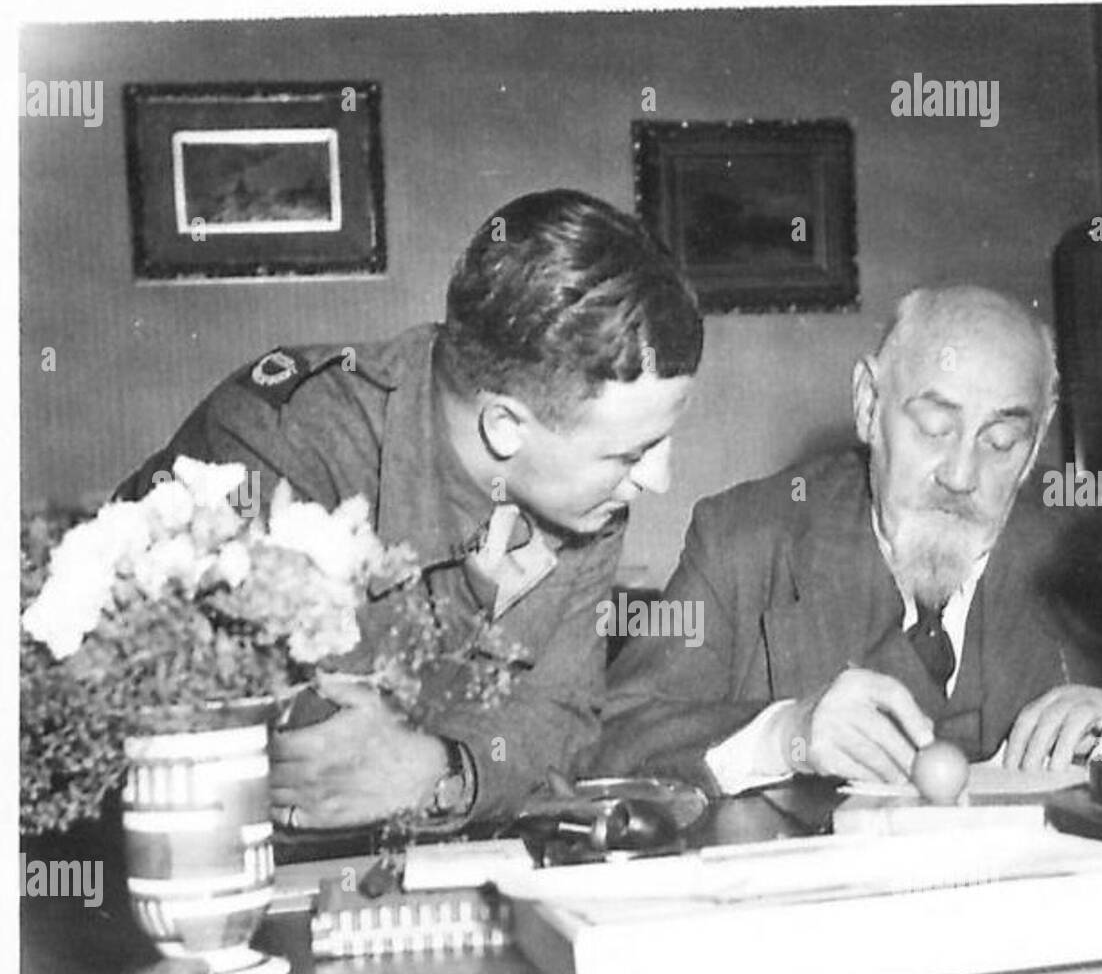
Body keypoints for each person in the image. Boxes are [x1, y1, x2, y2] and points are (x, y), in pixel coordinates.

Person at [115, 189, 702, 829]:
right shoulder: (279, 441)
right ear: (505, 427)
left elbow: (563, 719)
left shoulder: (587, 493)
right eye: (630, 454)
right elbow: (302, 751)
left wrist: (442, 769)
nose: (659, 478)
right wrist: (450, 744)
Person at [595, 284, 1102, 792]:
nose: (961, 476)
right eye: (935, 429)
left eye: (1001, 441)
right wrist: (785, 736)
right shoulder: (744, 541)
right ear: (869, 405)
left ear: (1036, 442)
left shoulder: (1089, 551)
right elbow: (612, 739)